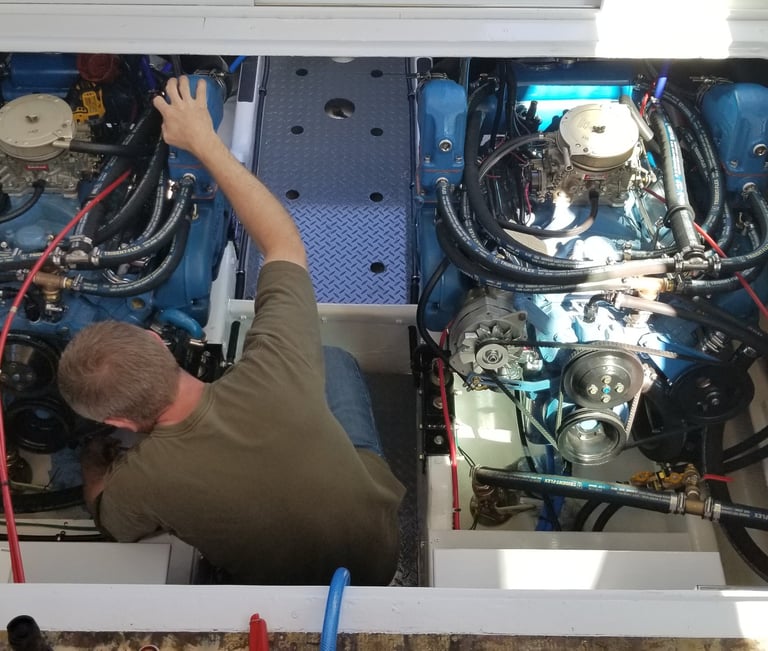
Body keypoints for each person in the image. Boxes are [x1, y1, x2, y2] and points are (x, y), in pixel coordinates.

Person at [57, 76, 406, 586]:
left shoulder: (144, 481)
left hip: (282, 597)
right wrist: (205, 143)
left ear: (121, 423)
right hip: (380, 554)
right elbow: (285, 244)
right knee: (331, 360)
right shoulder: (276, 370)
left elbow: (109, 518)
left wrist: (93, 460)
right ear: (158, 342)